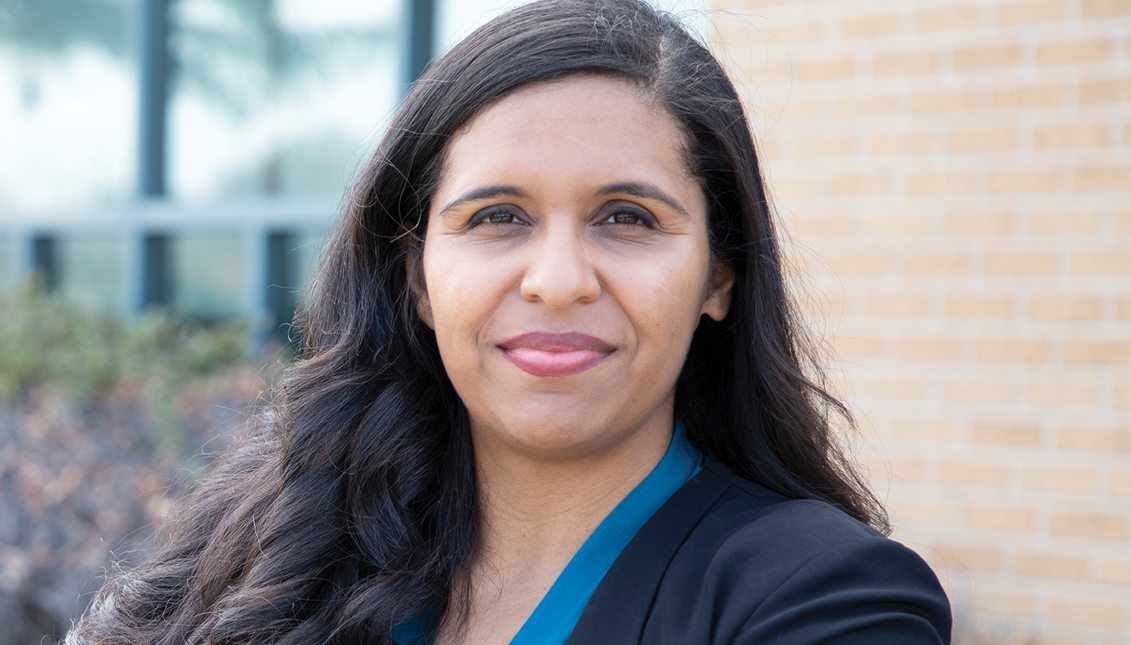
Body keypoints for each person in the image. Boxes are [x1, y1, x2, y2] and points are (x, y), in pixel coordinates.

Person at [68, 1, 951, 643]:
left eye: (627, 218)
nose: (558, 281)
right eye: (497, 217)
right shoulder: (276, 553)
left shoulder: (822, 599)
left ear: (717, 274)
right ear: (415, 276)